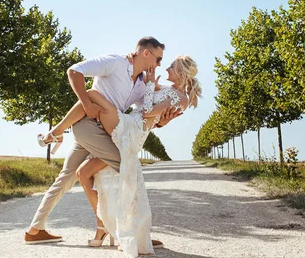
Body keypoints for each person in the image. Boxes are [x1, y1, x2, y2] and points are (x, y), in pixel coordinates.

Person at [25, 37, 180, 247]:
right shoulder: (115, 62)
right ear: (146, 53)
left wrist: (163, 122)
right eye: (158, 58)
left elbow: (145, 114)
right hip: (88, 126)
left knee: (66, 178)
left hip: (104, 131)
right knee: (128, 167)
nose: (159, 64)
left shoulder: (142, 84)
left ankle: (34, 230)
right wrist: (87, 104)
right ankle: (132, 233)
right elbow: (74, 71)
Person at [69, 55, 201, 257]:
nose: (166, 69)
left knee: (92, 95)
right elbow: (149, 108)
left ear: (182, 72)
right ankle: (106, 226)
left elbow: (148, 112)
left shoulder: (181, 99)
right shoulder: (166, 89)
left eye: (172, 67)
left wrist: (149, 87)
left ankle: (56, 133)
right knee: (84, 173)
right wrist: (150, 88)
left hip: (132, 130)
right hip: (129, 124)